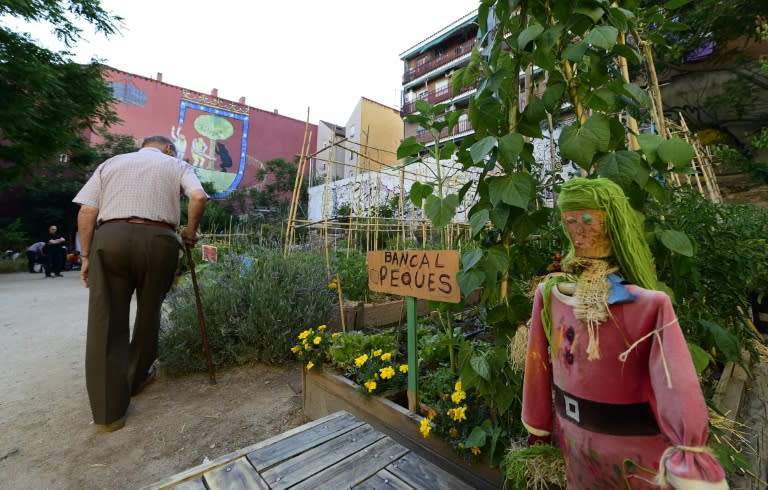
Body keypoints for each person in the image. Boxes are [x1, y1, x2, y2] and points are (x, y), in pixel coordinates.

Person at [522, 178, 727, 489]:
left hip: (635, 458)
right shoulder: (549, 295)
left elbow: (676, 386)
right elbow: (537, 367)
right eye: (571, 221)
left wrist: (688, 456)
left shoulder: (650, 306)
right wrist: (538, 428)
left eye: (589, 220)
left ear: (612, 223)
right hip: (575, 446)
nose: (579, 230)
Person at [72, 135, 207, 432]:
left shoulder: (111, 163)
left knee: (105, 320)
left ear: (143, 147)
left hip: (111, 237)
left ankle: (110, 415)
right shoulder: (177, 165)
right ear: (169, 148)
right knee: (149, 314)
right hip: (158, 241)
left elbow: (87, 211)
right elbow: (198, 197)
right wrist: (189, 232)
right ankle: (135, 379)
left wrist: (85, 255)